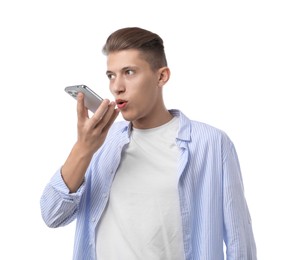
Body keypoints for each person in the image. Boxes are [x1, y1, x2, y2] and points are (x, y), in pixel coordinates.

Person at [40, 27, 257, 260]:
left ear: (161, 76)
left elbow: (239, 241)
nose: (117, 87)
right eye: (111, 75)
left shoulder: (211, 144)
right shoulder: (101, 142)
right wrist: (83, 148)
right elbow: (53, 215)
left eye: (129, 72)